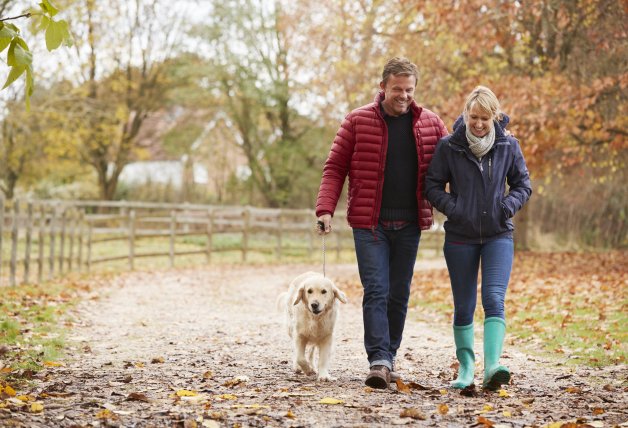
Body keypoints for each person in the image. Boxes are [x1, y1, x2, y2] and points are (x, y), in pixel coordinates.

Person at [315, 57, 448, 389]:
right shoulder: (357, 121)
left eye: (409, 90)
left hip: (410, 224)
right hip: (369, 224)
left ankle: (388, 356)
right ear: (383, 87)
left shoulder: (431, 124)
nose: (403, 96)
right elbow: (334, 168)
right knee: (377, 289)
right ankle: (379, 359)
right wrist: (325, 209)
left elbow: (455, 160)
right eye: (397, 89)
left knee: (399, 293)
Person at [425, 86, 532, 390]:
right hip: (460, 236)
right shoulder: (450, 147)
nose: (479, 123)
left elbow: (523, 185)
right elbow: (432, 186)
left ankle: (493, 365)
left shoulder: (508, 146)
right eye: (474, 117)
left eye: (485, 118)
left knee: (494, 298)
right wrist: (454, 209)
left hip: (498, 234)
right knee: (464, 304)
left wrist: (505, 207)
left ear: (495, 117)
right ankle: (466, 368)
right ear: (466, 115)